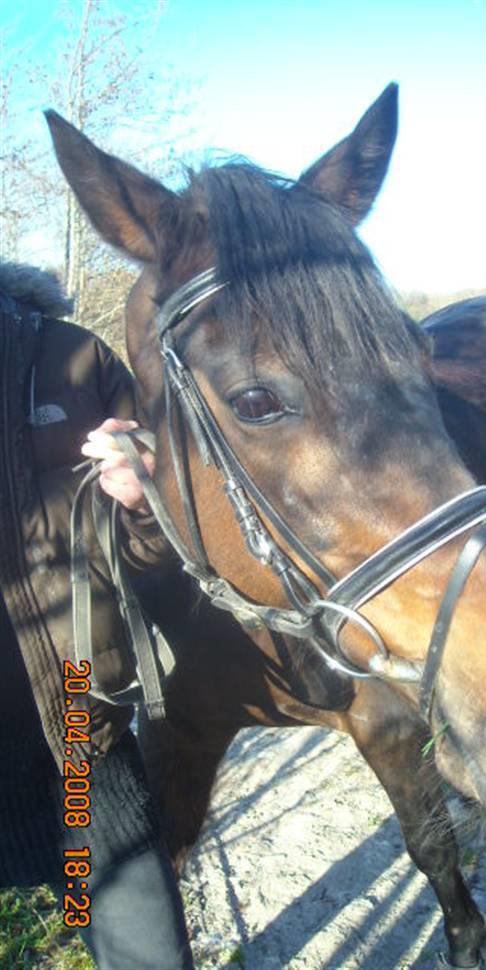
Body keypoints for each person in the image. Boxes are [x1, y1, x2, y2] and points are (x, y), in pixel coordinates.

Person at [0, 260, 194, 970]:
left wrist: (145, 500)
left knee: (136, 947)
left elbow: (160, 556)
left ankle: (78, 913)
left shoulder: (74, 360)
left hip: (80, 725)